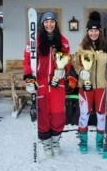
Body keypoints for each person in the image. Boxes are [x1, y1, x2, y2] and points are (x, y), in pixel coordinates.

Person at [23, 12, 70, 159]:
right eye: (46, 22)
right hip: (41, 81)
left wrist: (63, 70)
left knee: (58, 114)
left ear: (56, 23)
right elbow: (26, 61)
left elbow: (67, 60)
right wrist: (29, 79)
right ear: (42, 24)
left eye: (52, 22)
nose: (49, 24)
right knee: (43, 114)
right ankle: (46, 143)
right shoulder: (34, 42)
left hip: (57, 82)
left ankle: (55, 141)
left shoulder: (63, 41)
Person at [73, 11, 107, 154]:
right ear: (87, 32)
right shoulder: (81, 48)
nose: (94, 33)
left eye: (96, 30)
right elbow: (75, 63)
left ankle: (99, 142)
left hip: (101, 87)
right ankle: (83, 141)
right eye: (91, 30)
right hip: (85, 87)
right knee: (84, 115)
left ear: (100, 31)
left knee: (101, 115)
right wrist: (80, 71)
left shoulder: (106, 48)